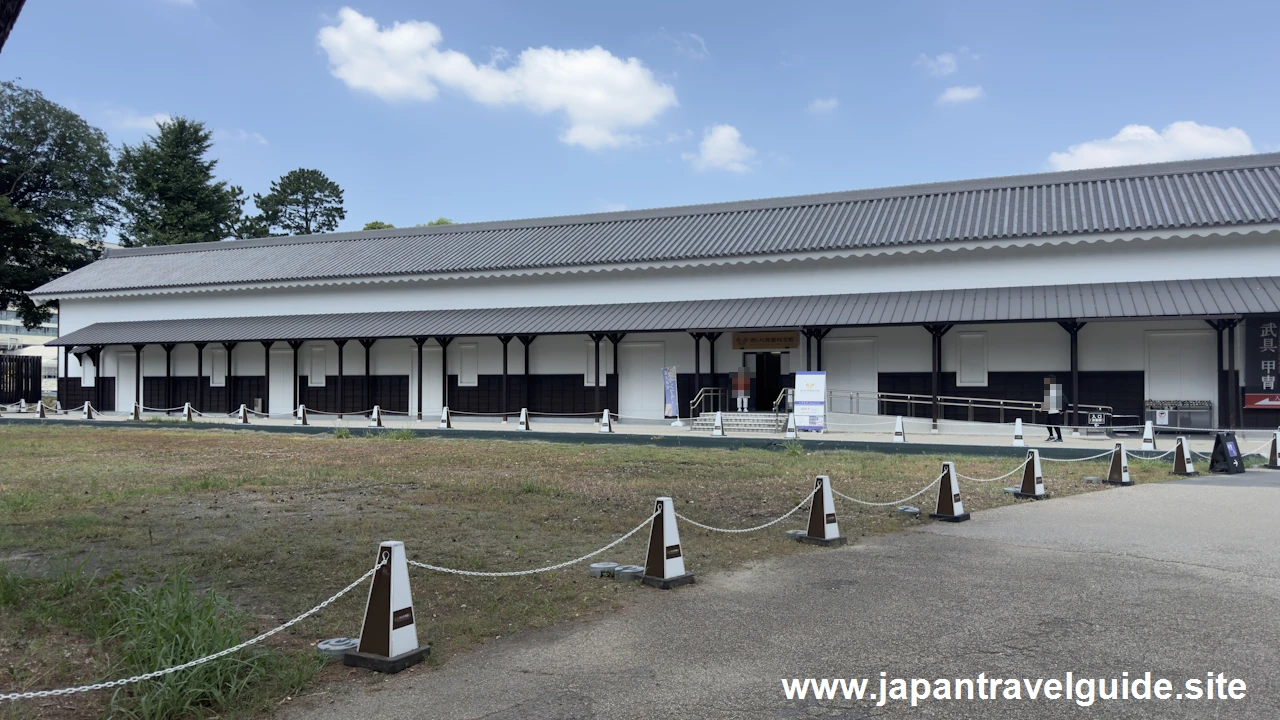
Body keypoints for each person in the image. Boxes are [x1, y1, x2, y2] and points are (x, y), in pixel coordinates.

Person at [1043, 375, 1063, 442]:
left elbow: (1062, 400)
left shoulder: (1056, 389)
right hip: (1050, 410)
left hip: (1055, 410)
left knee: (1055, 424)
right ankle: (1051, 436)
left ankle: (1060, 438)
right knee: (1048, 423)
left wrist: (1062, 409)